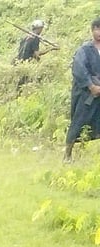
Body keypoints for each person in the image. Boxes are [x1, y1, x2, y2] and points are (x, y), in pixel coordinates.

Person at [63, 18, 100, 162]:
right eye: (96, 29)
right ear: (92, 30)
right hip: (86, 94)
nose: (99, 32)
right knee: (78, 122)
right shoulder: (84, 50)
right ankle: (67, 155)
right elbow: (79, 69)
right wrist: (91, 86)